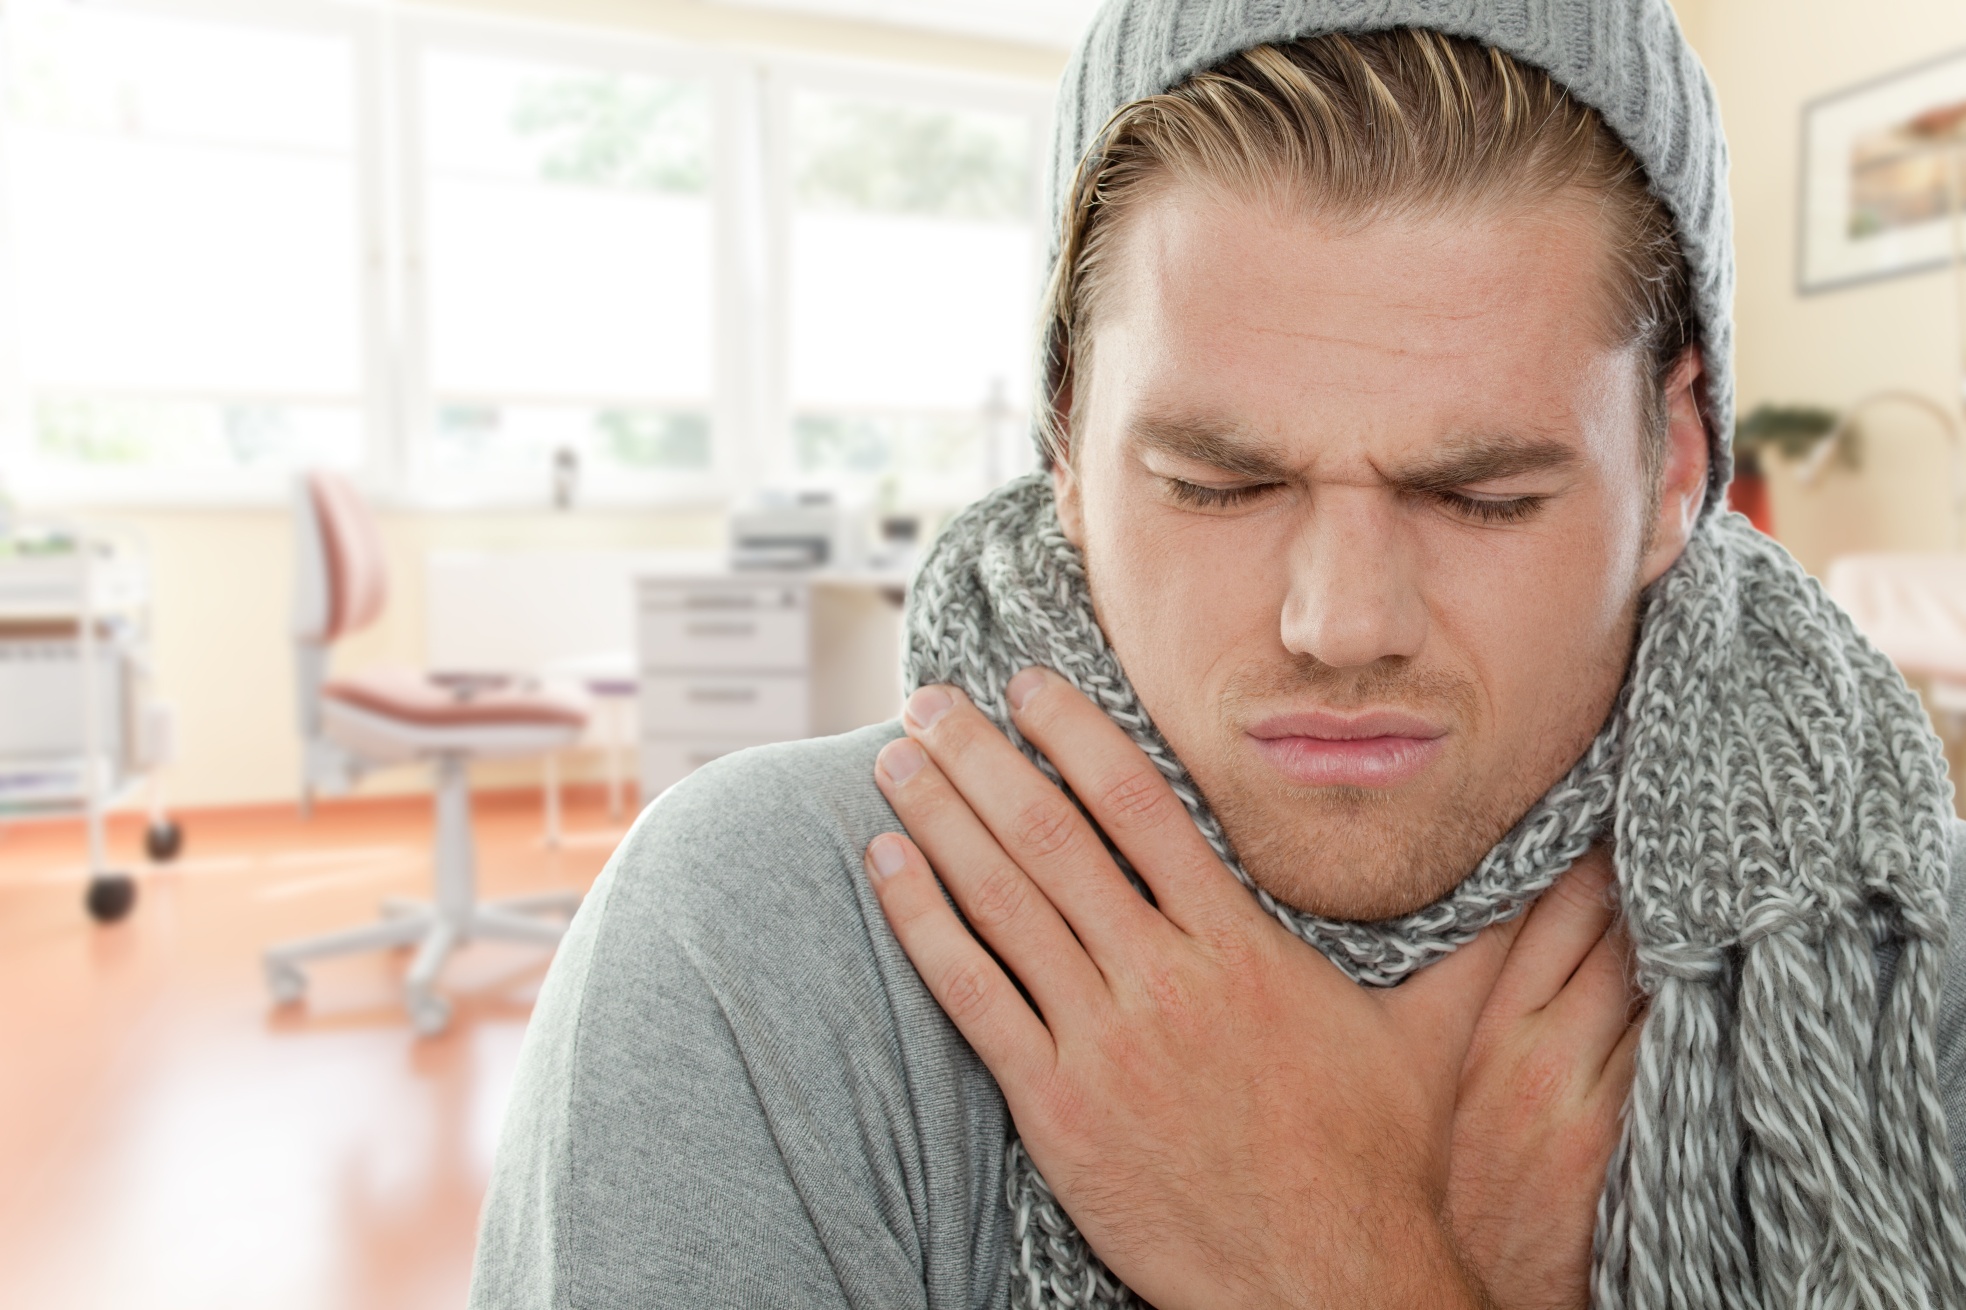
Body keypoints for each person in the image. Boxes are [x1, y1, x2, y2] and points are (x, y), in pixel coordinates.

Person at [470, 4, 1966, 1308]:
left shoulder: (1914, 964)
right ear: (1062, 446)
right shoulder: (759, 941)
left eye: (1480, 495)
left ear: (1677, 458)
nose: (1339, 620)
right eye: (1217, 484)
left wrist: (1347, 1260)